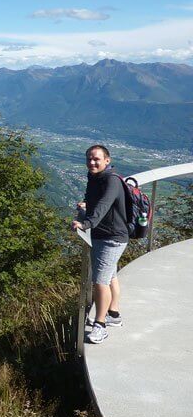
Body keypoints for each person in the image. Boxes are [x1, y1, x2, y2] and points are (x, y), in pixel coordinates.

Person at [71, 145, 128, 344]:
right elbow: (96, 201)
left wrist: (86, 223)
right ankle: (113, 313)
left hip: (112, 238)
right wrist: (87, 205)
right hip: (102, 235)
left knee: (99, 282)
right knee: (110, 275)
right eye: (89, 159)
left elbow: (104, 205)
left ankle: (100, 325)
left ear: (107, 160)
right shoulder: (94, 177)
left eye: (96, 159)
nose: (92, 162)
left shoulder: (111, 180)